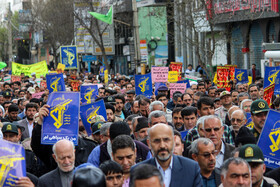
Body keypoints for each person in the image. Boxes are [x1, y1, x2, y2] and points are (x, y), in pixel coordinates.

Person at [137, 123, 203, 187]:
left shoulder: (191, 168)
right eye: (157, 141)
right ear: (149, 144)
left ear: (174, 141)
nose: (162, 146)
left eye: (166, 140)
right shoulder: (137, 172)